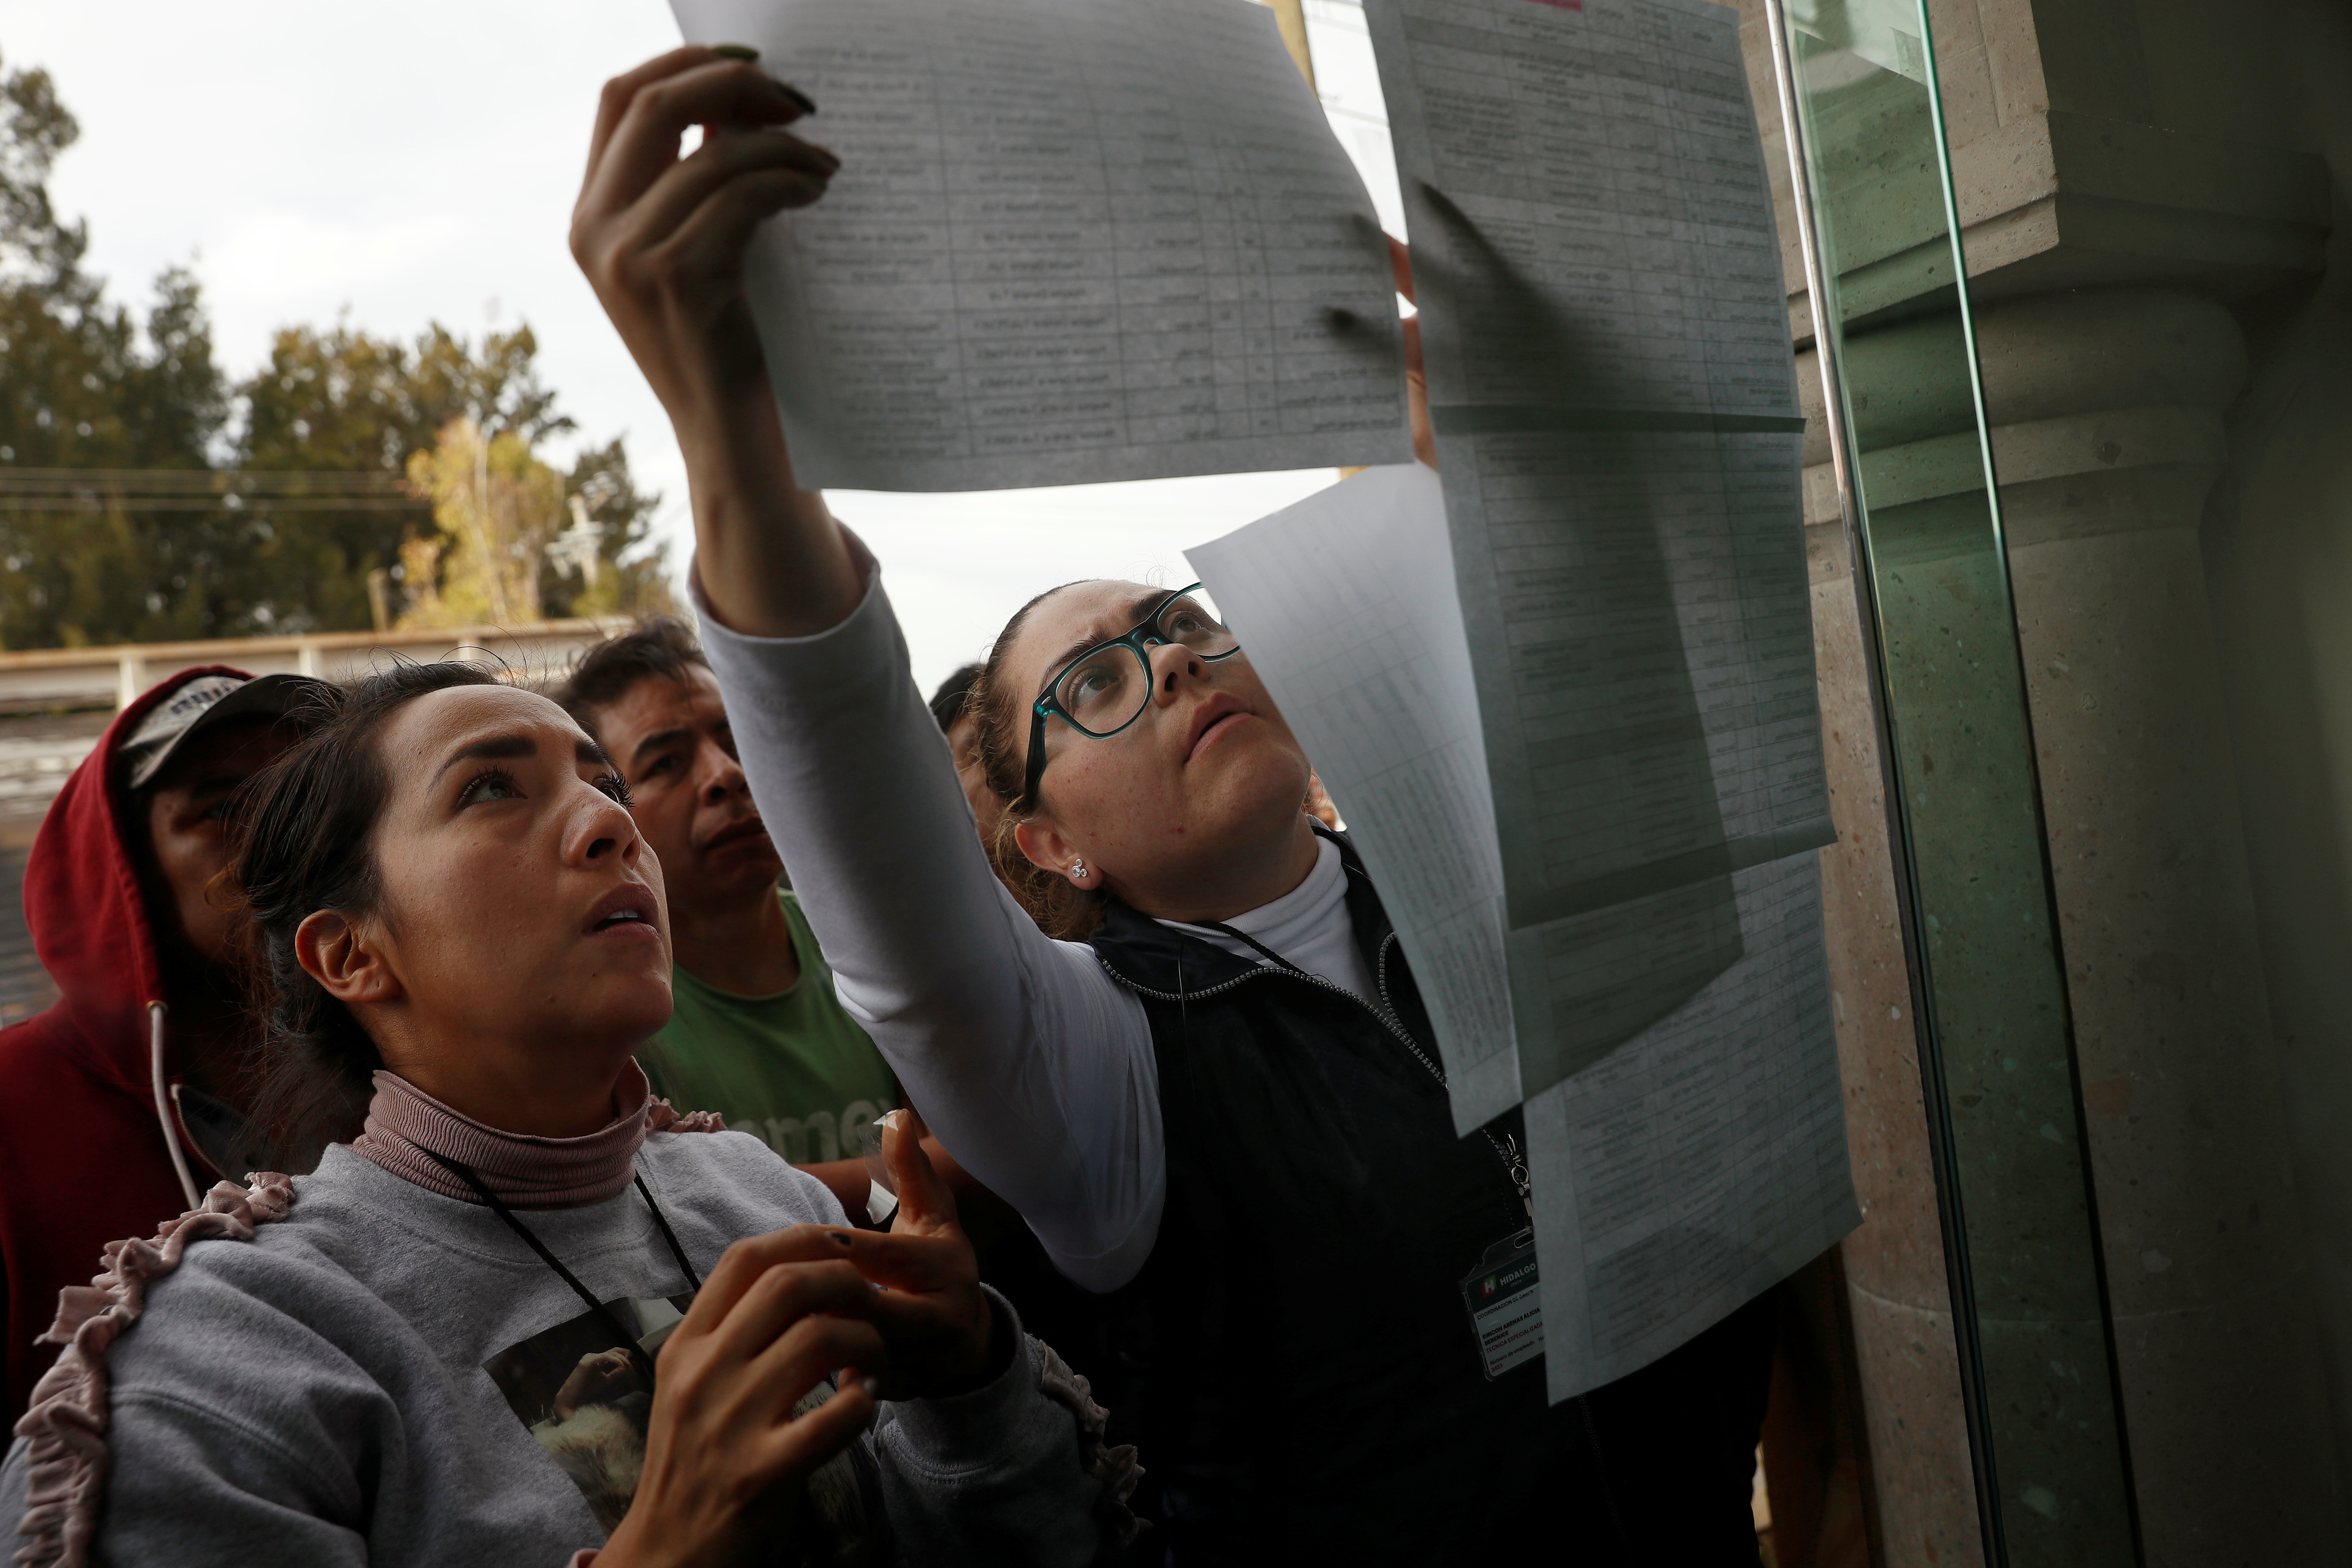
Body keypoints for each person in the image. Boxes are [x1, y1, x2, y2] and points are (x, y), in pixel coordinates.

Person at [571, 43, 1773, 1564]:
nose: (1174, 661)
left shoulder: (1471, 881)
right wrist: (732, 433)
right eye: (1092, 681)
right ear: (1045, 839)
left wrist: (1494, 450)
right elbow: (896, 907)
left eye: (1184, 621)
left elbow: (1653, 695)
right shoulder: (1099, 1064)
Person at [0, 660, 1136, 1568]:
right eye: (491, 787)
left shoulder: (758, 1198)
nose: (607, 825)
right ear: (349, 953)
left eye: (600, 781)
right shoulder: (224, 1373)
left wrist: (970, 1391)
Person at [0, 666, 324, 1422]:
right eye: (224, 808)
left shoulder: (418, 1074)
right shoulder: (14, 1111)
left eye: (305, 801)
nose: (282, 839)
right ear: (127, 872)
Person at [554, 619, 898, 1217]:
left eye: (738, 742)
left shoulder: (868, 940)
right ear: (601, 814)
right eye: (666, 763)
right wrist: (917, 1175)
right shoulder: (607, 1012)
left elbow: (987, 1149)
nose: (726, 776)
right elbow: (666, 1212)